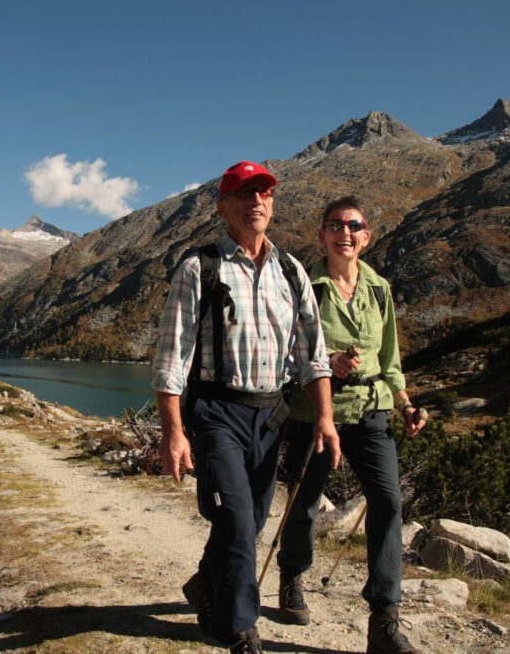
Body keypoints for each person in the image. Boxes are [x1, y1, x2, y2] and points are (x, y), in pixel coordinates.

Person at [153, 161, 341, 654]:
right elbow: (172, 359)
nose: (255, 200)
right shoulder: (200, 268)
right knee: (237, 520)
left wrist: (324, 416)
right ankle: (239, 627)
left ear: (272, 204)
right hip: (218, 413)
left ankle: (204, 585)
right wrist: (173, 431)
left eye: (263, 192)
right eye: (243, 193)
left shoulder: (290, 270)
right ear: (223, 207)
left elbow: (311, 354)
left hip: (271, 413)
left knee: (251, 522)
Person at [276, 196, 426, 654]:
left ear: (367, 235)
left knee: (388, 502)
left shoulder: (379, 288)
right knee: (304, 504)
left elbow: (390, 358)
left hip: (370, 411)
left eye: (353, 225)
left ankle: (384, 617)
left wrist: (404, 404)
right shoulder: (303, 283)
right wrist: (325, 363)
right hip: (314, 410)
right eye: (334, 225)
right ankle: (292, 577)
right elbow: (282, 348)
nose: (345, 232)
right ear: (321, 234)